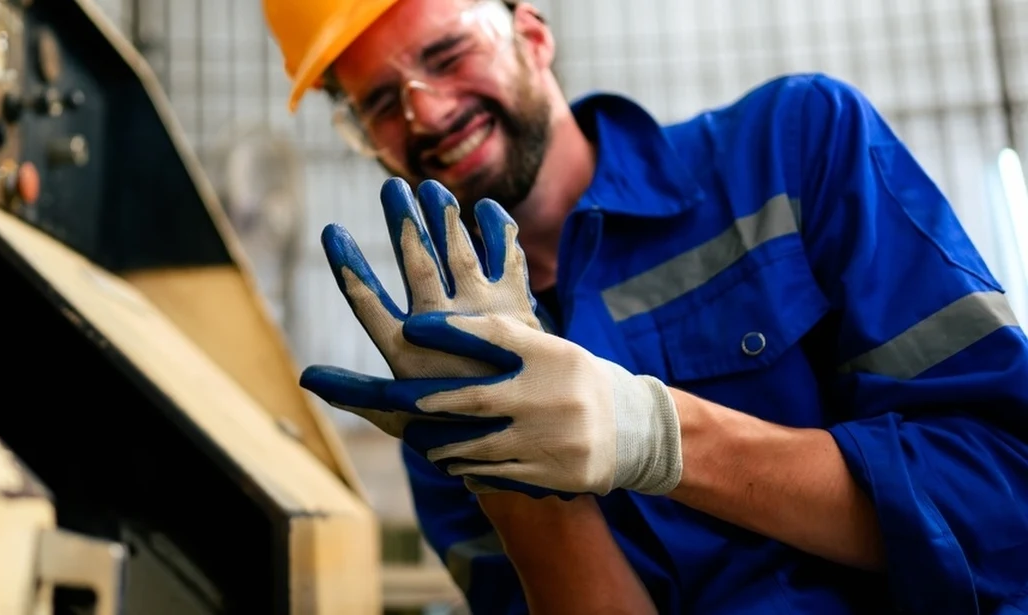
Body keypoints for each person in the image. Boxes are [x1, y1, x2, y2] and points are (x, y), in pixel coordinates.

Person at [261, 0, 1028, 613]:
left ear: (533, 35)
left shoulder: (794, 154)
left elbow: (1005, 493)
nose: (426, 114)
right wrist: (521, 488)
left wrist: (651, 432)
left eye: (447, 55)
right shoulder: (446, 399)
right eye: (381, 102)